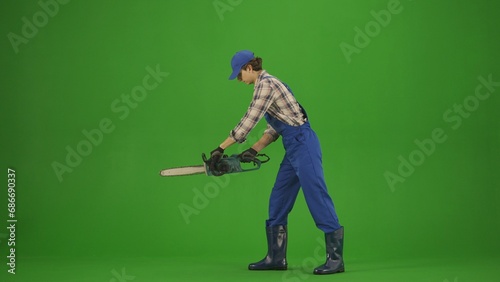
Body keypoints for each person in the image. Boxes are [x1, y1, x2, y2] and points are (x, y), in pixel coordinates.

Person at [208, 50, 344, 275]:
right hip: (293, 147)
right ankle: (276, 258)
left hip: (304, 144)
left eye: (240, 74)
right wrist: (253, 149)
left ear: (249, 68)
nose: (239, 80)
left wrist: (220, 148)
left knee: (316, 196)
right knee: (279, 197)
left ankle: (336, 260)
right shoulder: (269, 86)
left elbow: (249, 120)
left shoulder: (266, 85)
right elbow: (274, 129)